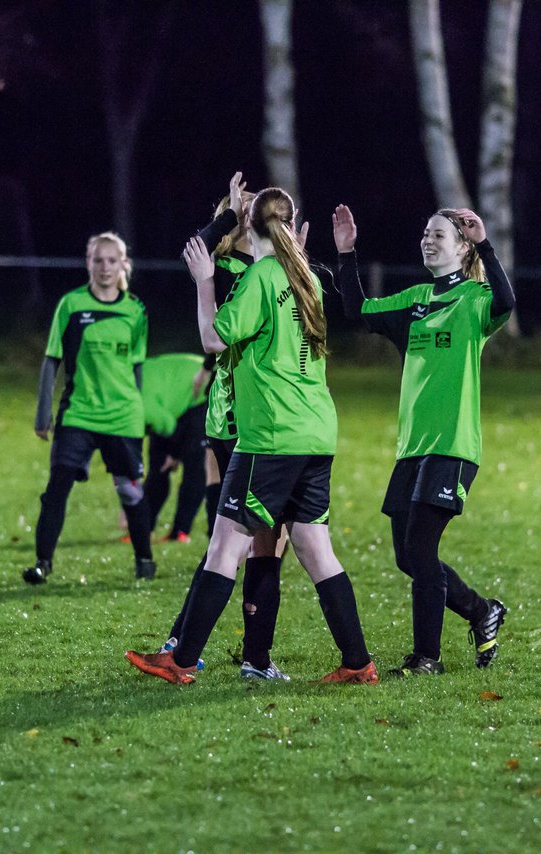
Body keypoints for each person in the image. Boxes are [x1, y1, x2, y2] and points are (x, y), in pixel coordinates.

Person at [127, 185, 377, 685]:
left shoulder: (263, 275)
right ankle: (357, 663)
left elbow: (213, 338)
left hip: (271, 437)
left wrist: (203, 282)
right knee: (314, 548)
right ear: (291, 220)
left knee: (223, 547)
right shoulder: (304, 273)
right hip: (316, 432)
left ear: (250, 224)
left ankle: (180, 660)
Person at [332, 203, 514, 676]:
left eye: (439, 234)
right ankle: (480, 612)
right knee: (406, 557)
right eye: (426, 233)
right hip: (412, 448)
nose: (428, 240)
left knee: (420, 552)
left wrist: (487, 244)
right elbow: (356, 309)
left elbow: (506, 303)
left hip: (452, 447)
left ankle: (426, 658)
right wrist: (346, 253)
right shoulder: (414, 301)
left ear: (460, 247)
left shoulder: (475, 300)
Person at [158, 174, 294, 680]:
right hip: (243, 416)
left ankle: (205, 645)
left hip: (253, 413)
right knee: (246, 542)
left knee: (250, 541)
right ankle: (240, 654)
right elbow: (197, 253)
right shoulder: (241, 269)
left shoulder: (268, 270)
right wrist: (229, 216)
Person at [23, 231, 156, 585]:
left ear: (122, 264)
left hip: (122, 416)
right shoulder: (71, 305)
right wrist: (42, 413)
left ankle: (144, 560)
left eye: (112, 260)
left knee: (130, 491)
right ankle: (42, 563)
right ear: (88, 263)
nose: (105, 267)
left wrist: (139, 413)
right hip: (79, 413)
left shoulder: (136, 311)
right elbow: (51, 360)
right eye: (99, 260)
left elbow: (137, 367)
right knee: (57, 486)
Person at [140, 352, 209, 543]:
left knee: (194, 470)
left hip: (200, 393)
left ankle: (179, 531)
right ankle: (143, 529)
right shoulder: (130, 393)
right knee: (157, 471)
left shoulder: (140, 405)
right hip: (172, 400)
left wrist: (174, 454)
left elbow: (168, 425)